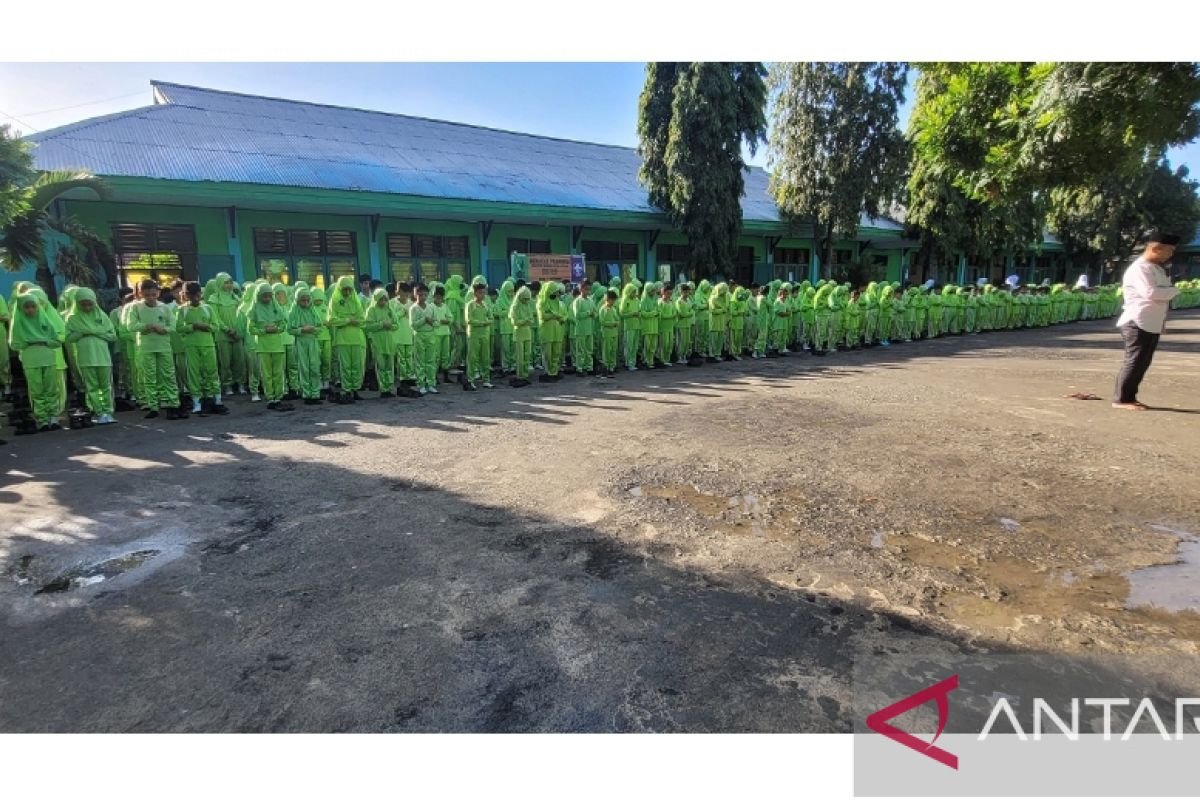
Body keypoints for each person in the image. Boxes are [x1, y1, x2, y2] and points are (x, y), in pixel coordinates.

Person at [1112, 231, 1180, 411]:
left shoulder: (1156, 268)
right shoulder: (1140, 268)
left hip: (1150, 322)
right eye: (1169, 251)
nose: (1170, 255)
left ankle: (1130, 396)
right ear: (1156, 248)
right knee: (1134, 360)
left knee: (1143, 361)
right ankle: (1122, 399)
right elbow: (1151, 293)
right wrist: (1174, 291)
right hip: (1137, 321)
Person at [126, 279, 183, 419]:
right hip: (145, 347)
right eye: (147, 295)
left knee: (168, 375)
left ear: (158, 292)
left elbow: (172, 326)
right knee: (149, 377)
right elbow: (130, 326)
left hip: (163, 346)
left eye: (153, 294)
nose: (151, 298)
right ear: (141, 294)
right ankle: (153, 406)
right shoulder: (135, 308)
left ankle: (173, 404)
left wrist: (163, 329)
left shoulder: (164, 308)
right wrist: (146, 326)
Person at [9, 294, 63, 431]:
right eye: (26, 307)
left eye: (33, 306)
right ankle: (42, 420)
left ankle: (54, 418)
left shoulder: (45, 320)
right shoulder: (18, 324)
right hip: (31, 361)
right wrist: (29, 342)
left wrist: (44, 341)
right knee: (36, 391)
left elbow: (57, 341)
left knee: (51, 389)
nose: (30, 310)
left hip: (48, 359)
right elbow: (14, 344)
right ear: (21, 308)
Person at [175, 281, 229, 416]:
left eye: (197, 295)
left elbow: (216, 326)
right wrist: (192, 327)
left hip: (208, 344)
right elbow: (178, 328)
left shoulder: (207, 308)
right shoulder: (182, 310)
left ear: (201, 294)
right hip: (191, 346)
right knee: (194, 373)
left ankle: (216, 400)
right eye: (191, 296)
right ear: (186, 295)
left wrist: (206, 327)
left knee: (211, 371)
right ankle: (197, 402)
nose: (195, 299)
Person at [248, 282, 293, 411]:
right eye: (264, 296)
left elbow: (284, 325)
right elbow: (251, 329)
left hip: (277, 345)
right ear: (258, 296)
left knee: (278, 373)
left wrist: (276, 329)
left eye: (269, 296)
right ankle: (270, 398)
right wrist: (264, 330)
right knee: (266, 374)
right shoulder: (255, 309)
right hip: (263, 347)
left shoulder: (276, 307)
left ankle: (278, 397)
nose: (267, 299)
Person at [329, 275, 367, 400]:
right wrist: (347, 320)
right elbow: (331, 320)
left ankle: (355, 389)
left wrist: (351, 321)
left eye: (349, 289)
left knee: (357, 365)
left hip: (357, 338)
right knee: (346, 366)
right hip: (343, 339)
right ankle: (347, 390)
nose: (347, 292)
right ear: (340, 289)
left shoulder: (356, 301)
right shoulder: (334, 301)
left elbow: (362, 320)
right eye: (345, 289)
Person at [288, 286, 325, 405]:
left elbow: (320, 327)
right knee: (303, 368)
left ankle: (315, 393)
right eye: (302, 300)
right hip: (300, 342)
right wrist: (301, 330)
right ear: (297, 300)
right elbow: (289, 329)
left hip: (312, 341)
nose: (305, 303)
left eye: (307, 300)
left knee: (314, 366)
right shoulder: (293, 312)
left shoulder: (312, 310)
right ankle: (306, 394)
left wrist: (312, 329)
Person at [365, 287, 399, 397]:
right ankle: (383, 389)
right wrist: (381, 325)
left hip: (389, 341)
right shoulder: (371, 310)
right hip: (377, 342)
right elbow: (368, 326)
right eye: (381, 299)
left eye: (385, 299)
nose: (383, 302)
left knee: (389, 365)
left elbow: (396, 324)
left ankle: (389, 388)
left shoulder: (389, 309)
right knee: (381, 365)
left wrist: (390, 326)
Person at [464, 278, 493, 390]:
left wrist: (487, 322)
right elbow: (469, 320)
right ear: (475, 293)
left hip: (485, 335)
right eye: (480, 292)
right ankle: (470, 380)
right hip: (474, 335)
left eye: (484, 292)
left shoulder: (486, 305)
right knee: (472, 358)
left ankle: (486, 380)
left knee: (485, 358)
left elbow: (491, 318)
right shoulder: (470, 305)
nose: (483, 294)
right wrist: (482, 323)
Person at [409, 283, 438, 395]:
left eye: (425, 295)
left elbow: (437, 323)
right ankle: (421, 384)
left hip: (430, 335)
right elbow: (413, 325)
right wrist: (424, 320)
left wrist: (432, 322)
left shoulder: (431, 307)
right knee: (420, 361)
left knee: (430, 360)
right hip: (419, 335)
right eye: (420, 295)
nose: (423, 297)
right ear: (415, 295)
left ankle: (431, 384)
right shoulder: (413, 308)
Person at [537, 281, 565, 382]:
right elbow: (542, 316)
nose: (556, 294)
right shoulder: (542, 302)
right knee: (547, 354)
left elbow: (562, 314)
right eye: (554, 292)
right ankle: (548, 372)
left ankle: (554, 372)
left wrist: (559, 317)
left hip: (557, 332)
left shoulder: (557, 301)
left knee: (556, 352)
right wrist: (553, 316)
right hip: (547, 332)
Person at [508, 285, 535, 387]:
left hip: (527, 333)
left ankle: (525, 374)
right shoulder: (514, 307)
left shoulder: (527, 306)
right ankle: (520, 375)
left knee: (527, 354)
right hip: (519, 334)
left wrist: (528, 321)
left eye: (528, 299)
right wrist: (525, 321)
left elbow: (532, 319)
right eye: (525, 299)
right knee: (520, 356)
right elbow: (514, 322)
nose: (527, 301)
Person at [429, 283, 454, 385]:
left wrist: (447, 321)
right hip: (435, 334)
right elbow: (430, 320)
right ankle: (434, 376)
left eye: (440, 297)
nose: (438, 299)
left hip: (445, 333)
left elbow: (451, 318)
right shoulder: (430, 307)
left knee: (445, 355)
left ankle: (446, 376)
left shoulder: (445, 306)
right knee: (436, 356)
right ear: (433, 296)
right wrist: (441, 321)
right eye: (436, 297)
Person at [572, 279, 597, 377]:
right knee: (581, 350)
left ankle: (589, 367)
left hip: (589, 329)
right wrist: (588, 313)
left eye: (589, 289)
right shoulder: (577, 301)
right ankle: (580, 368)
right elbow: (577, 315)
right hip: (580, 330)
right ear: (581, 289)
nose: (588, 291)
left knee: (589, 350)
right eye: (586, 289)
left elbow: (595, 313)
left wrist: (593, 314)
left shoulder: (591, 300)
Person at [597, 289, 620, 377]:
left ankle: (612, 367)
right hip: (606, 334)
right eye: (612, 300)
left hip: (614, 333)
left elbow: (617, 319)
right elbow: (602, 322)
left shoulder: (613, 309)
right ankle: (606, 367)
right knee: (606, 351)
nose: (613, 302)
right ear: (608, 299)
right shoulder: (603, 309)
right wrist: (612, 324)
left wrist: (616, 323)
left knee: (613, 351)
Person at [618, 282, 641, 371]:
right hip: (629, 326)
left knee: (635, 346)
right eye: (633, 292)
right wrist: (632, 314)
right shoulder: (624, 300)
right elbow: (622, 314)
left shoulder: (636, 300)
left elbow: (640, 310)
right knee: (629, 345)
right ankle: (628, 363)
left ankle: (633, 362)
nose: (634, 294)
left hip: (636, 325)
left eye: (635, 292)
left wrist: (639, 314)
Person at [639, 281, 660, 368]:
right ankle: (646, 361)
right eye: (651, 291)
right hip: (647, 327)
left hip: (654, 327)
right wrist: (653, 313)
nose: (653, 293)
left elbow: (658, 311)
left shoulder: (655, 299)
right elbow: (643, 313)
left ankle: (651, 361)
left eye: (654, 291)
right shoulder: (643, 300)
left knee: (653, 345)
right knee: (647, 345)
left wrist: (655, 313)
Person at [657, 282, 677, 366]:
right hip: (663, 327)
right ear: (663, 292)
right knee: (663, 344)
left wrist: (673, 316)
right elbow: (660, 314)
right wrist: (670, 316)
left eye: (671, 293)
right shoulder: (660, 302)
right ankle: (662, 359)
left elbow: (675, 311)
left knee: (669, 344)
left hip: (670, 326)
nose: (669, 295)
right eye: (668, 293)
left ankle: (667, 359)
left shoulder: (671, 302)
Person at [674, 282, 695, 364]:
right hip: (681, 324)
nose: (687, 293)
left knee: (687, 341)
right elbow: (682, 314)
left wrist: (689, 312)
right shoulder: (679, 301)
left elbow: (690, 310)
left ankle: (684, 356)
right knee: (681, 341)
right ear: (681, 292)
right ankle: (679, 356)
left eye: (688, 292)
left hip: (688, 324)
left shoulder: (689, 300)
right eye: (685, 292)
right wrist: (690, 312)